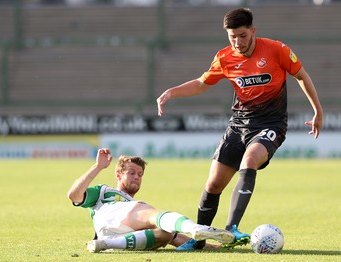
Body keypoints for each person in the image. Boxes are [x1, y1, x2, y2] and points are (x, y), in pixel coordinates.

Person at [156, 7, 323, 250]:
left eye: (242, 36)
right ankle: (198, 240)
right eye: (232, 37)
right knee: (213, 184)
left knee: (250, 159)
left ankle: (231, 229)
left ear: (253, 31)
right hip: (238, 125)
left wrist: (317, 110)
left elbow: (302, 76)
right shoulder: (224, 57)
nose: (238, 42)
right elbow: (202, 84)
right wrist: (172, 92)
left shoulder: (277, 50)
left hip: (270, 124)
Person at [67, 148, 235, 252]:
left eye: (140, 174)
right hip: (109, 217)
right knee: (152, 214)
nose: (136, 177)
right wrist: (98, 167)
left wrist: (212, 247)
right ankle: (195, 227)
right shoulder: (104, 192)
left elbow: (176, 238)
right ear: (118, 175)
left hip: (117, 235)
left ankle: (107, 244)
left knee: (166, 233)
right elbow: (74, 195)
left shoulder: (134, 207)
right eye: (131, 173)